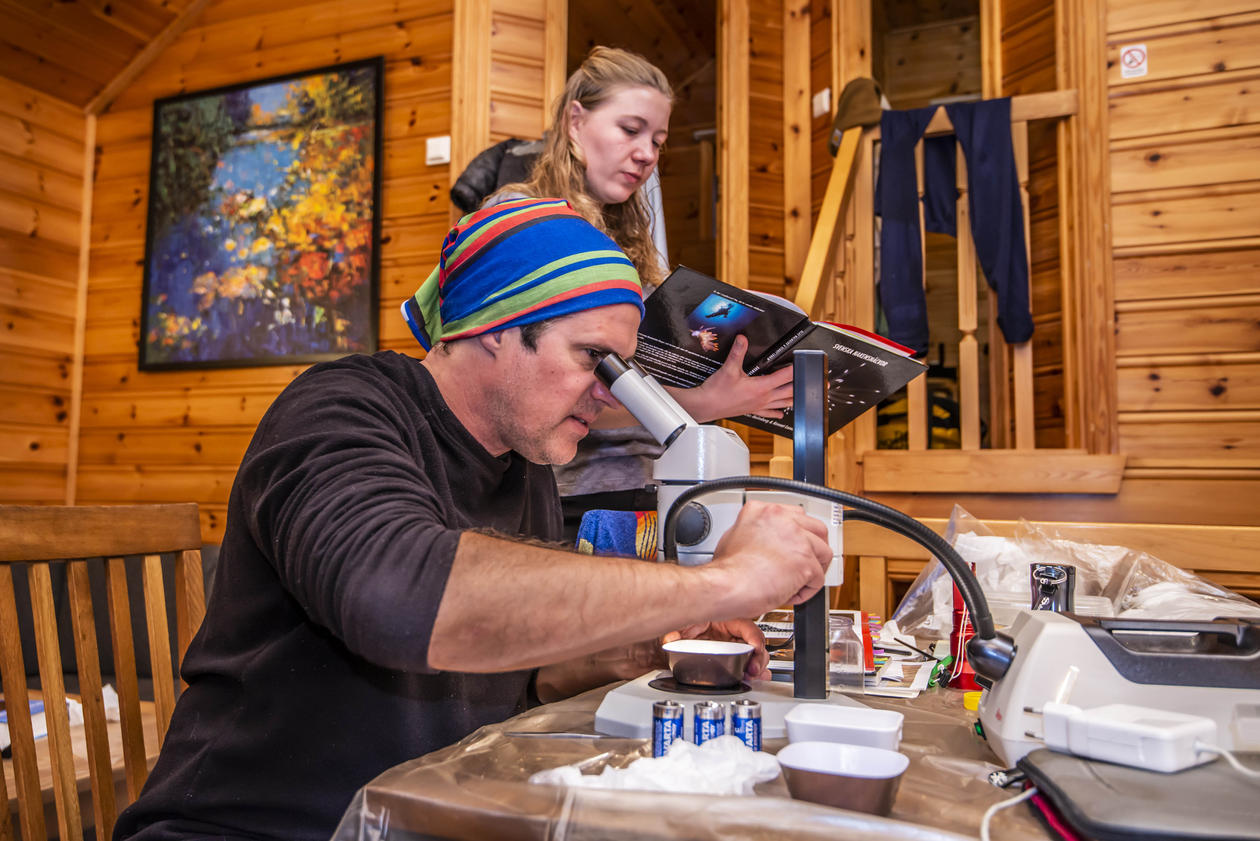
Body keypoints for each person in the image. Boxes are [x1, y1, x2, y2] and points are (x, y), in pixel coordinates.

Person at [114, 198, 834, 841]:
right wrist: (727, 580)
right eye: (593, 358)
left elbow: (524, 675)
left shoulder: (524, 463)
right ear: (495, 325)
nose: (608, 395)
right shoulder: (336, 410)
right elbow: (401, 602)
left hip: (420, 813)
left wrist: (656, 643)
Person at [493, 47, 795, 538]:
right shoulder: (522, 217)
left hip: (658, 488)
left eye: (657, 140)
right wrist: (706, 403)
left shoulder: (636, 247)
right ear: (574, 122)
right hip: (568, 498)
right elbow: (542, 387)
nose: (647, 154)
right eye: (630, 130)